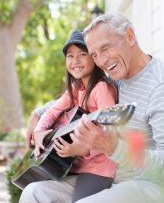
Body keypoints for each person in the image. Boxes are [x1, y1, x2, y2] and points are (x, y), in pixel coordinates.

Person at [21, 13, 164, 203]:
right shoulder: (117, 77)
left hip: (153, 185)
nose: (102, 61)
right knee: (33, 193)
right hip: (111, 177)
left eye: (105, 48)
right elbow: (79, 96)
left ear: (130, 36)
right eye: (94, 55)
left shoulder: (161, 85)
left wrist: (113, 147)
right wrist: (39, 113)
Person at [22, 31, 118, 202]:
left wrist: (85, 149)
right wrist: (39, 132)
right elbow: (51, 112)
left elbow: (111, 130)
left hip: (99, 169)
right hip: (77, 165)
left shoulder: (101, 89)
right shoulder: (76, 88)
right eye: (70, 56)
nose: (75, 61)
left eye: (82, 54)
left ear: (94, 58)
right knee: (32, 190)